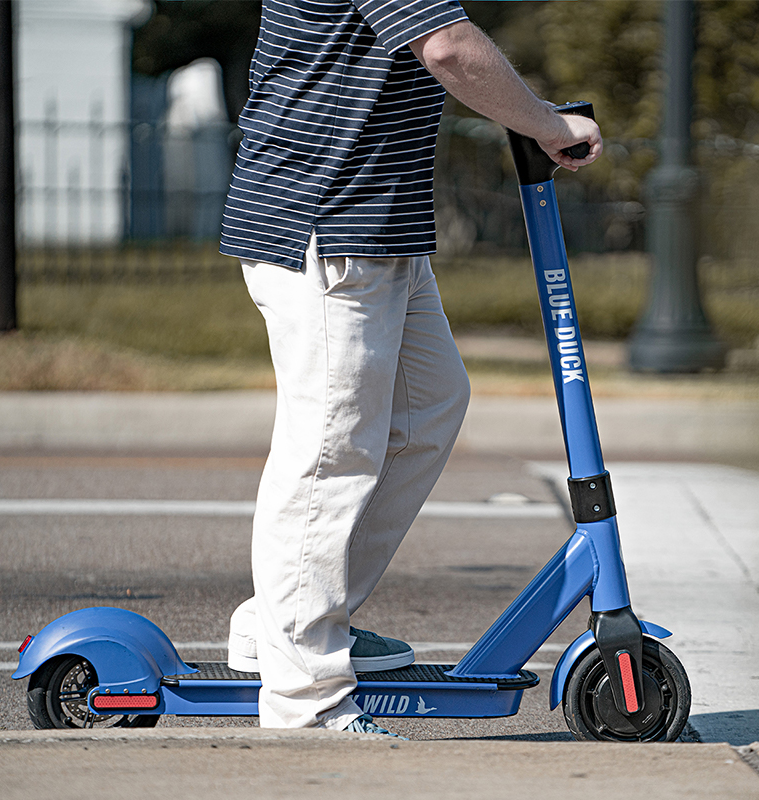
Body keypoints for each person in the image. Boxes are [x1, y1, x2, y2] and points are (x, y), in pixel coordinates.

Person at [218, 0, 602, 737]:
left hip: (375, 223)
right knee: (331, 457)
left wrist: (532, 112)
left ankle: (286, 620)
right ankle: (306, 700)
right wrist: (548, 128)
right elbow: (450, 48)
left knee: (430, 404)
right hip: (330, 222)